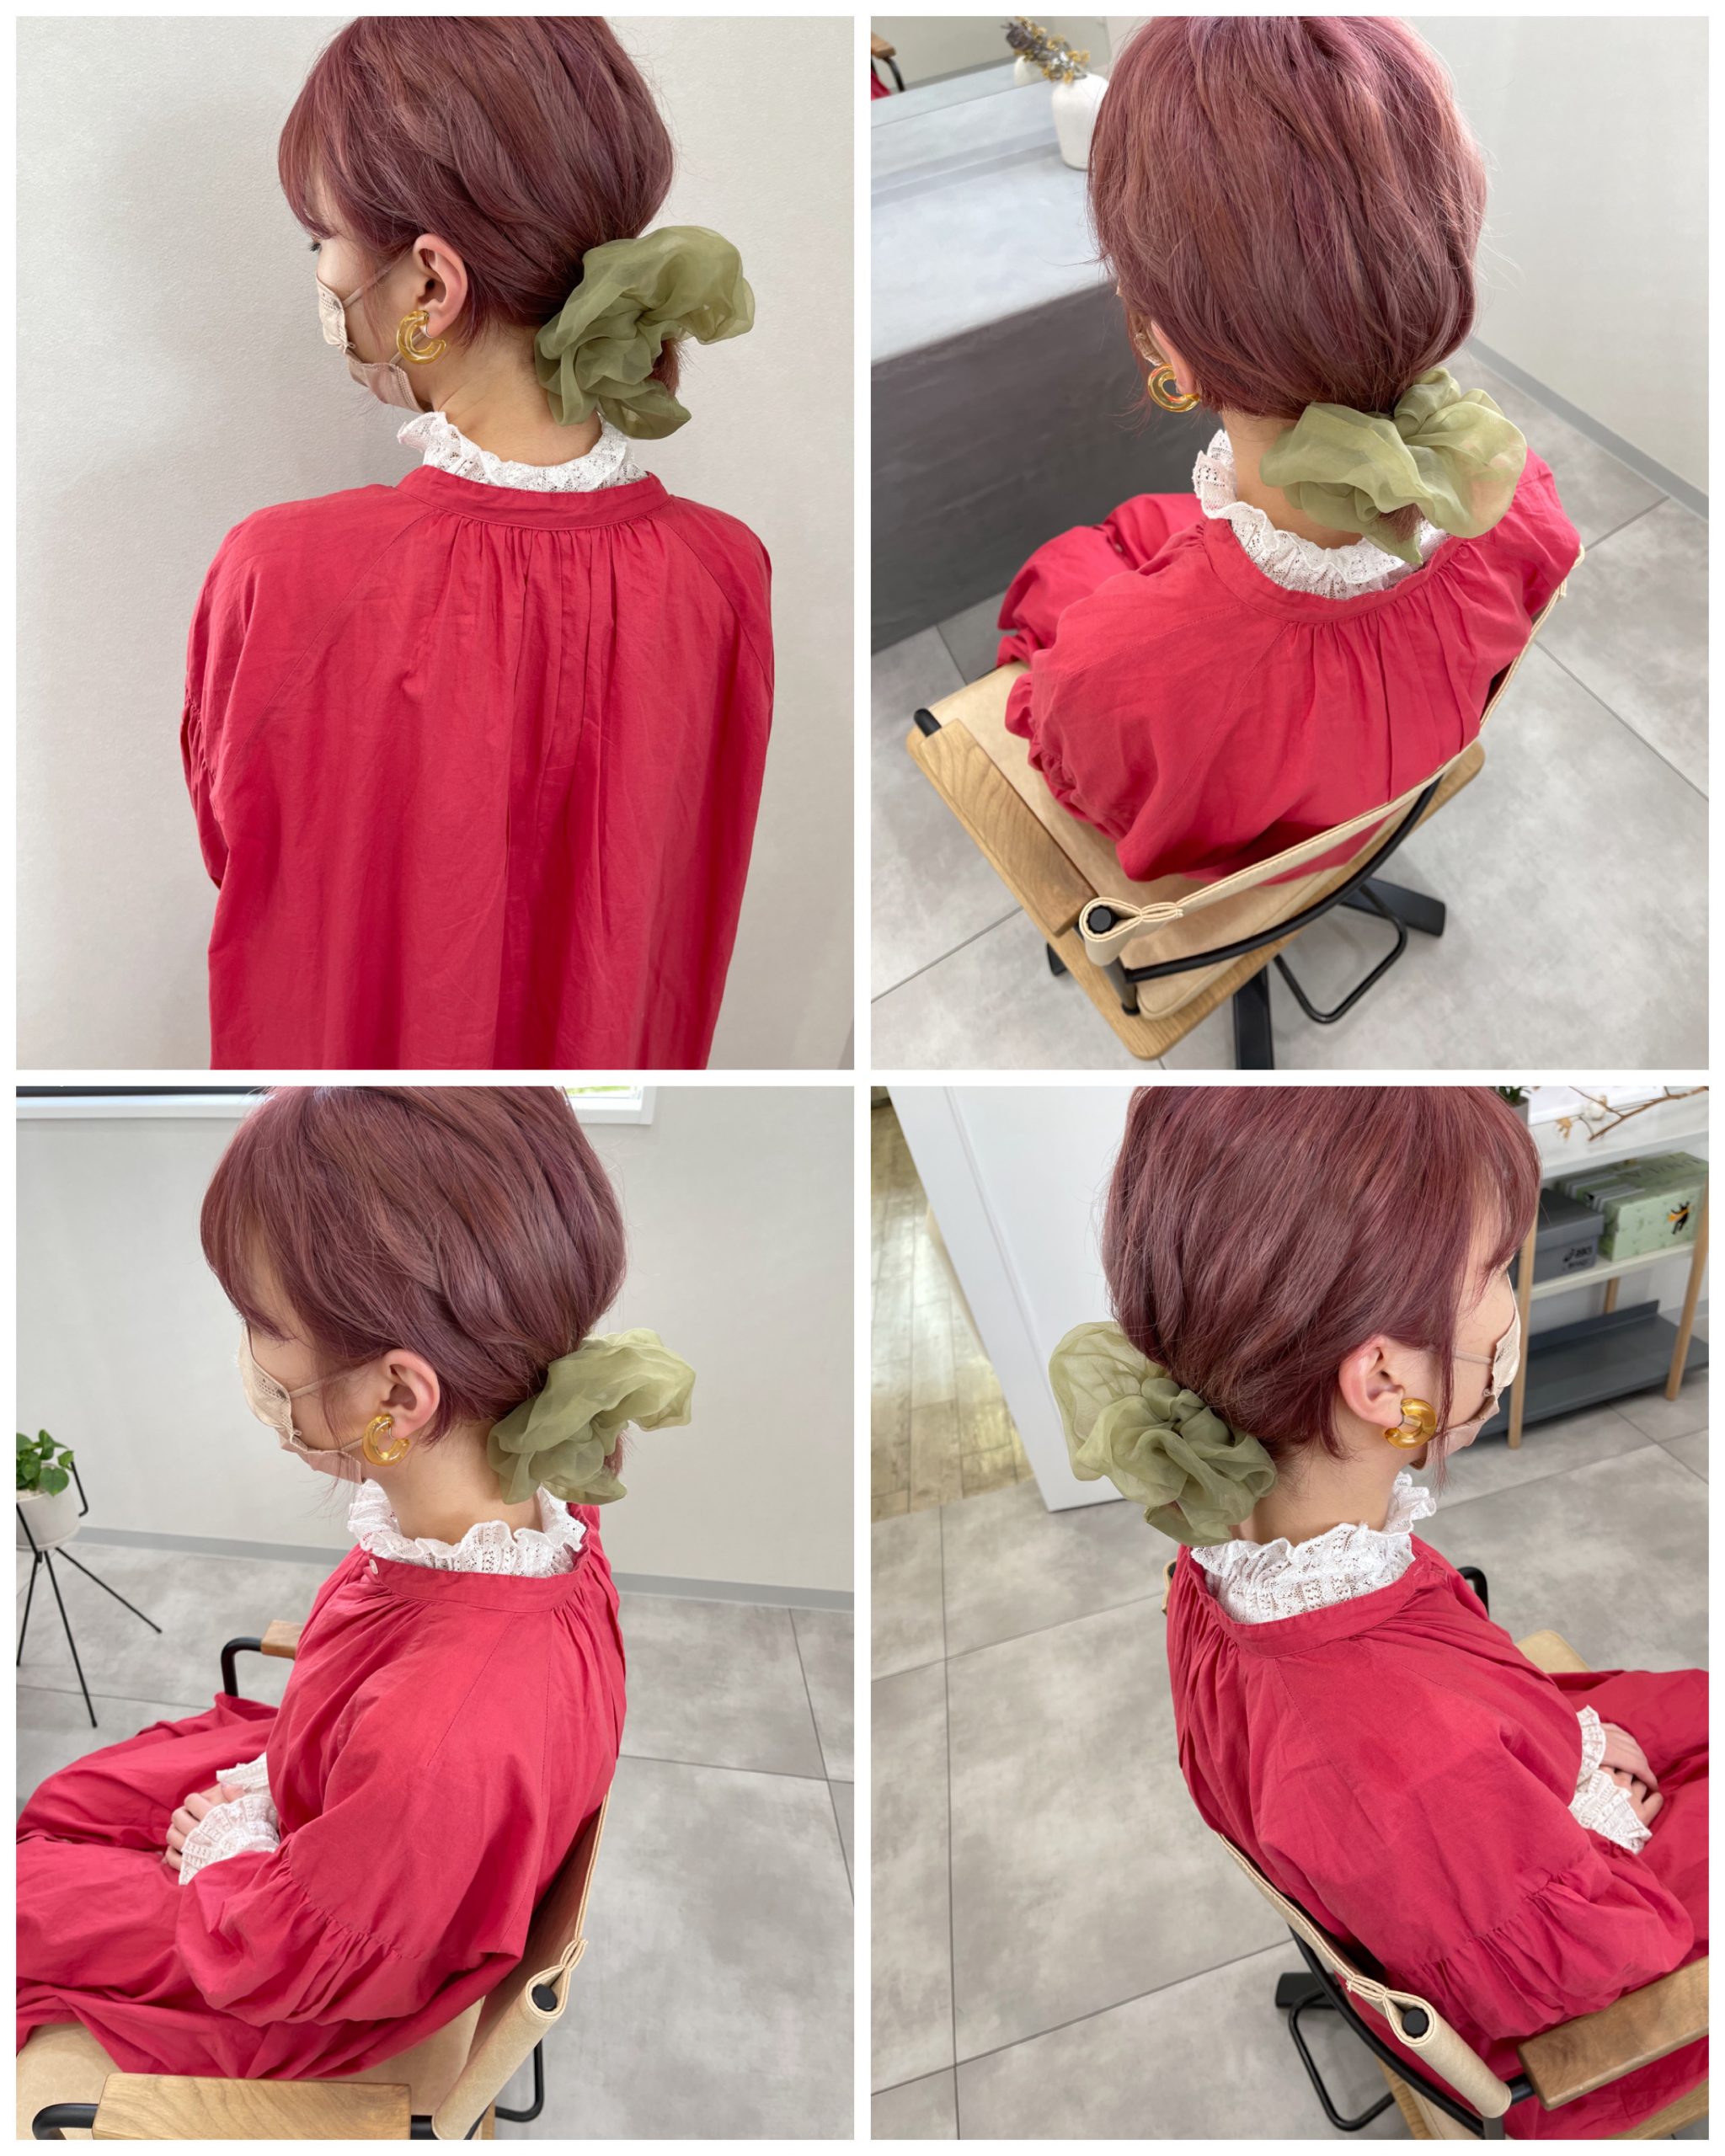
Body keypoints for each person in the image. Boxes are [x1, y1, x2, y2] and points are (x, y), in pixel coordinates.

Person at [1052, 1086, 1706, 2138]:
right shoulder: (1409, 1763)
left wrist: (1570, 1749)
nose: (1507, 1303)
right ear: (1382, 1377)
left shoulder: (1241, 1553)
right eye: (1493, 1270)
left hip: (1478, 1823)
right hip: (1590, 2028)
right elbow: (1599, 1977)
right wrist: (1585, 1808)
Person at [17, 1087, 693, 2103]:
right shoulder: (523, 1514)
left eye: (261, 1322)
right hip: (350, 1803)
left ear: (397, 1397)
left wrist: (230, 1851)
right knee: (69, 1805)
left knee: (27, 1897)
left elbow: (299, 1956)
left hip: (321, 1954)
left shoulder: (439, 1733)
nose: (250, 1355)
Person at [181, 17, 772, 1070]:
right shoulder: (726, 574)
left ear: (429, 285)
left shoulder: (280, 575)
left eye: (319, 239)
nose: (319, 271)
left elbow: (234, 852)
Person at [996, 19, 1580, 885]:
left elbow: (1083, 776)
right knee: (1142, 526)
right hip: (1390, 792)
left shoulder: (1112, 678)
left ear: (1171, 350)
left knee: (1064, 569)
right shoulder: (1518, 497)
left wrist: (1071, 669)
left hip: (1250, 866)